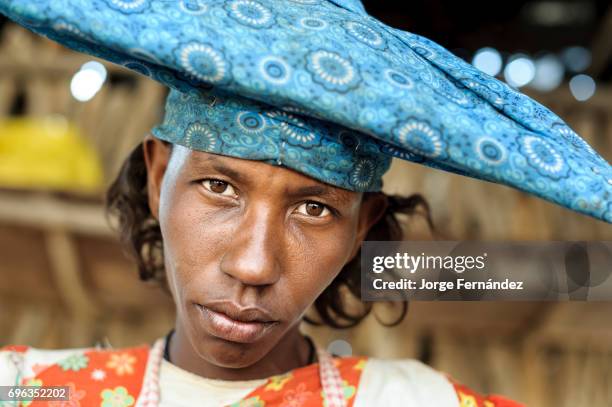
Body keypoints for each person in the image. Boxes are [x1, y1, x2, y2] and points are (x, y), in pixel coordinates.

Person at [0, 0, 610, 406]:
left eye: (314, 208)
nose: (255, 266)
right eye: (220, 187)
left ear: (361, 228)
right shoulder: (33, 391)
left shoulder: (414, 402)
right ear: (159, 177)